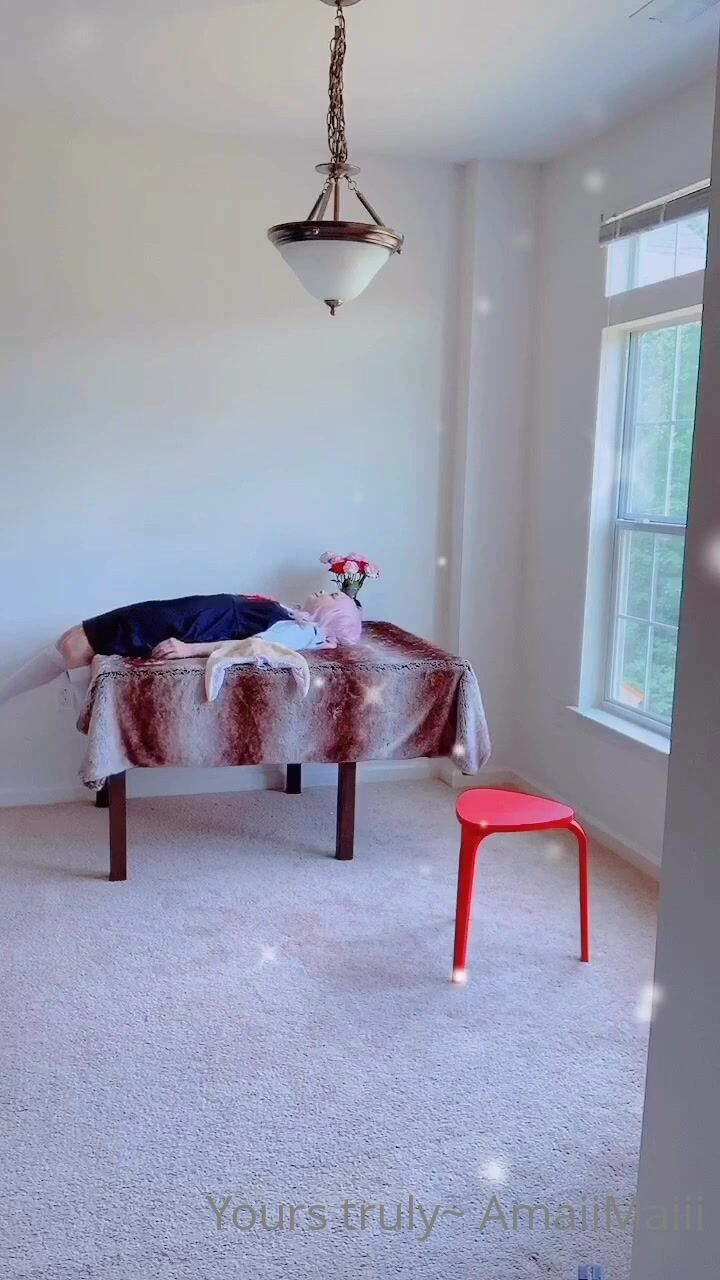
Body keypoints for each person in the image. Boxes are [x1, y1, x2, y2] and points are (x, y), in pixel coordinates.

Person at [0, 590, 362, 708]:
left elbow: (254, 648)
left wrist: (190, 650)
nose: (322, 591)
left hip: (187, 626)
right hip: (185, 613)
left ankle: (83, 706)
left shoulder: (303, 632)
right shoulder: (295, 616)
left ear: (334, 615)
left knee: (75, 645)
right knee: (71, 639)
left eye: (332, 595)